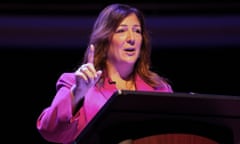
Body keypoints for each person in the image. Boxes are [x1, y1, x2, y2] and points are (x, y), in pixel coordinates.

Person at [36, 3, 173, 144]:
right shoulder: (76, 84)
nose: (132, 38)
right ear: (104, 38)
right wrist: (77, 93)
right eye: (121, 31)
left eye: (137, 31)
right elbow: (50, 131)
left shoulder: (159, 88)